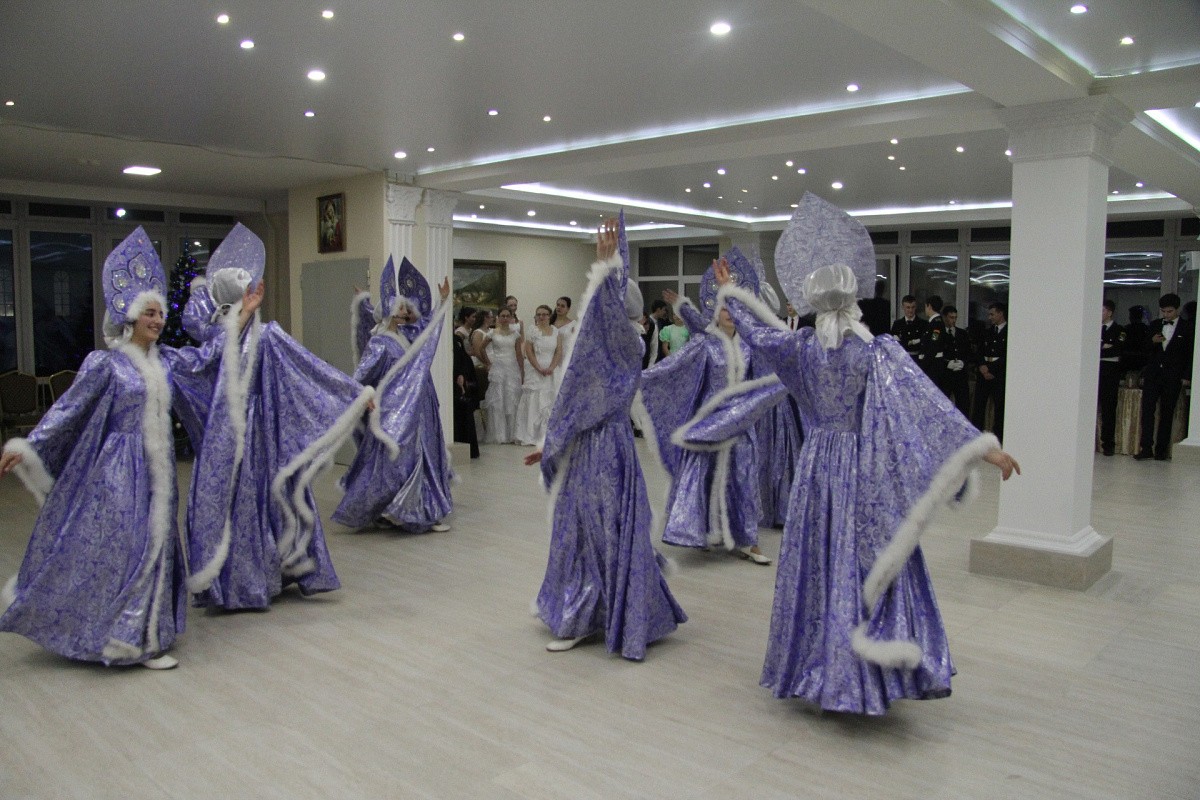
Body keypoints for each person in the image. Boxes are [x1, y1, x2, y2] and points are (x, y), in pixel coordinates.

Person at [687, 192, 1018, 715]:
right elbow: (928, 403)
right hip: (861, 466)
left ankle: (819, 666)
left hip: (817, 464)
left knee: (820, 559)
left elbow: (758, 334)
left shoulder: (802, 348)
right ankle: (861, 675)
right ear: (855, 295)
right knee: (860, 555)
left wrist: (731, 293)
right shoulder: (877, 352)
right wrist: (983, 448)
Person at [0, 227, 254, 669]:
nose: (157, 320)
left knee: (157, 547)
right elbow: (69, 408)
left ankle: (143, 637)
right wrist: (30, 445)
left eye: (160, 314)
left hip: (160, 474)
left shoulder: (168, 360)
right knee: (127, 549)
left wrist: (243, 314)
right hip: (118, 473)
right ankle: (119, 635)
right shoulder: (106, 364)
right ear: (130, 317)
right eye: (149, 313)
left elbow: (208, 356)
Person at [182, 225, 371, 610]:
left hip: (265, 432)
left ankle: (276, 570)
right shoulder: (215, 343)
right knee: (231, 503)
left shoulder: (267, 336)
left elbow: (309, 366)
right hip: (225, 437)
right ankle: (238, 580)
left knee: (273, 496)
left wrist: (352, 393)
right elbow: (198, 364)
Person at [524, 217, 686, 658]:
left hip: (604, 450)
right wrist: (551, 443)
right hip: (596, 448)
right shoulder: (612, 346)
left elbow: (588, 392)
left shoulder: (625, 346)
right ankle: (581, 607)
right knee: (585, 528)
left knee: (598, 529)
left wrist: (606, 271)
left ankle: (588, 611)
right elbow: (578, 396)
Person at [642, 249, 770, 566]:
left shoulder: (750, 346)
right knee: (708, 478)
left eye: (733, 308)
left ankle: (748, 540)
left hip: (742, 425)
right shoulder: (705, 344)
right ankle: (706, 532)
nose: (729, 313)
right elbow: (672, 367)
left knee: (743, 480)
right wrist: (638, 378)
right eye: (724, 308)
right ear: (715, 311)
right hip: (711, 423)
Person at [334, 256, 455, 531]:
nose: (405, 311)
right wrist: (359, 396)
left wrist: (442, 301)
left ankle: (413, 509)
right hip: (395, 411)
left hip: (418, 406)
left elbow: (427, 329)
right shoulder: (380, 343)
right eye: (400, 307)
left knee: (419, 456)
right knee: (398, 459)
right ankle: (400, 509)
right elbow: (362, 375)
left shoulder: (405, 335)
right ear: (389, 312)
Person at [1134, 293, 1193, 461]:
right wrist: (1152, 341)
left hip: (1173, 376)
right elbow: (1143, 349)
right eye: (1164, 311)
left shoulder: (1187, 327)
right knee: (1147, 411)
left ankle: (1161, 450)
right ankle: (1146, 447)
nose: (1166, 315)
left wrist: (1186, 375)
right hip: (1153, 375)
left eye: (1170, 311)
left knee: (1167, 413)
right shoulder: (1154, 325)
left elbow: (1190, 354)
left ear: (1177, 309)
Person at [513, 304, 561, 445]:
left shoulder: (556, 331)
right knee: (534, 400)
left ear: (549, 316)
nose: (541, 317)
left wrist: (552, 367)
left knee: (550, 399)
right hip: (535, 368)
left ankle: (547, 435)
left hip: (551, 369)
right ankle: (531, 435)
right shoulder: (532, 330)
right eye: (538, 314)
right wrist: (539, 368)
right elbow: (529, 351)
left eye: (544, 314)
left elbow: (559, 351)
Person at [480, 307, 523, 443]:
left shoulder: (516, 334)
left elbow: (519, 354)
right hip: (498, 367)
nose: (505, 318)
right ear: (498, 317)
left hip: (512, 368)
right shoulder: (492, 333)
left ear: (511, 318)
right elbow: (481, 348)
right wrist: (488, 363)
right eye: (502, 316)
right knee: (498, 399)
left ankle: (511, 434)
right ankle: (499, 434)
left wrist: (522, 371)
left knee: (511, 398)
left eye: (507, 316)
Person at [972, 301, 1008, 443]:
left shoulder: (1009, 332)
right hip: (984, 373)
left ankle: (998, 438)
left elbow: (1006, 355)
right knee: (978, 407)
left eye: (992, 314)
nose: (990, 317)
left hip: (998, 374)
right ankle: (976, 437)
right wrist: (982, 365)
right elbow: (979, 350)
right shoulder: (987, 332)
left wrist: (992, 369)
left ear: (1000, 313)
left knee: (999, 409)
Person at [1098, 299, 1126, 456]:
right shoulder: (1093, 328)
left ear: (1109, 312)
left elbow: (1117, 350)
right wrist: (1104, 347)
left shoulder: (1119, 330)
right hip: (1095, 370)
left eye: (1102, 310)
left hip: (1110, 372)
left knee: (1108, 409)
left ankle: (1108, 444)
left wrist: (1102, 348)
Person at [937, 305, 973, 415]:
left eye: (955, 317)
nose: (953, 320)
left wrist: (963, 362)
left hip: (960, 375)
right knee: (943, 405)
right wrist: (946, 363)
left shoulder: (962, 334)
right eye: (951, 317)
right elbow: (934, 352)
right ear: (944, 317)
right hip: (945, 375)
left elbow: (968, 352)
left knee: (963, 404)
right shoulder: (937, 333)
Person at [917, 295, 946, 384]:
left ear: (929, 306)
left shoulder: (936, 324)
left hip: (933, 365)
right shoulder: (933, 323)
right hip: (931, 364)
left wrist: (923, 365)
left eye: (925, 307)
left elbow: (934, 345)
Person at [890, 294, 927, 361]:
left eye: (913, 307)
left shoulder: (923, 324)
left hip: (918, 359)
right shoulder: (897, 324)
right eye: (908, 307)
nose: (910, 310)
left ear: (916, 307)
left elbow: (925, 342)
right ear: (903, 307)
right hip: (902, 359)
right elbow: (894, 343)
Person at [551, 295, 576, 390]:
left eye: (562, 306)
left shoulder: (573, 324)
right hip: (551, 356)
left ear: (568, 309)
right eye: (558, 305)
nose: (559, 307)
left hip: (565, 357)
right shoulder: (550, 323)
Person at [643, 299, 670, 368]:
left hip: (658, 357)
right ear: (658, 309)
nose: (665, 312)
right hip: (647, 357)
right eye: (664, 310)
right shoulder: (646, 322)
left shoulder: (662, 322)